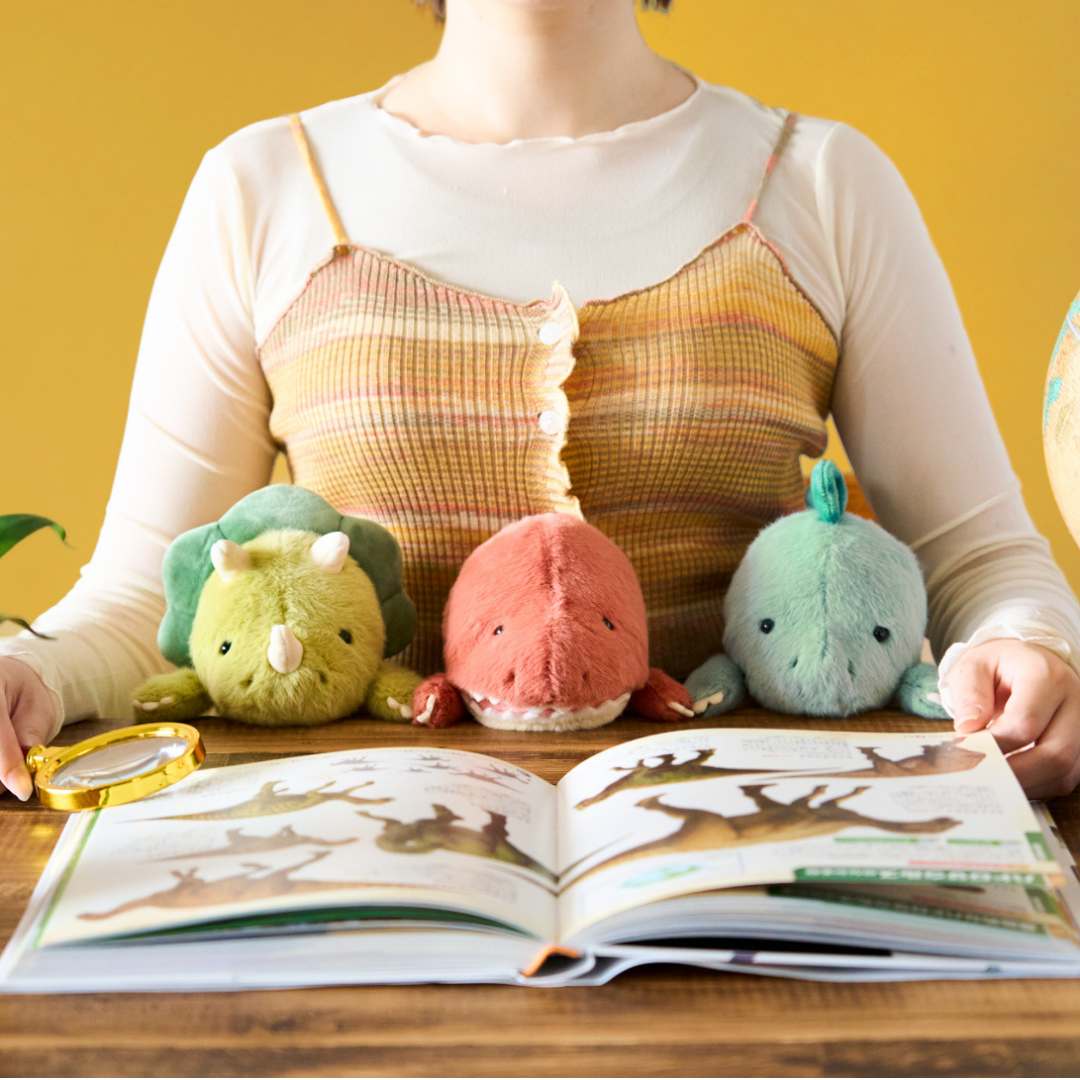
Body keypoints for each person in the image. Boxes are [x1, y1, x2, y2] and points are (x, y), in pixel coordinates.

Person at [3, 0, 1080, 801]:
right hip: (367, 863)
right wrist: (33, 671)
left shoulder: (826, 182)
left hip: (743, 852)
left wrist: (1036, 652)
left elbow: (981, 561)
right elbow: (146, 599)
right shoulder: (261, 188)